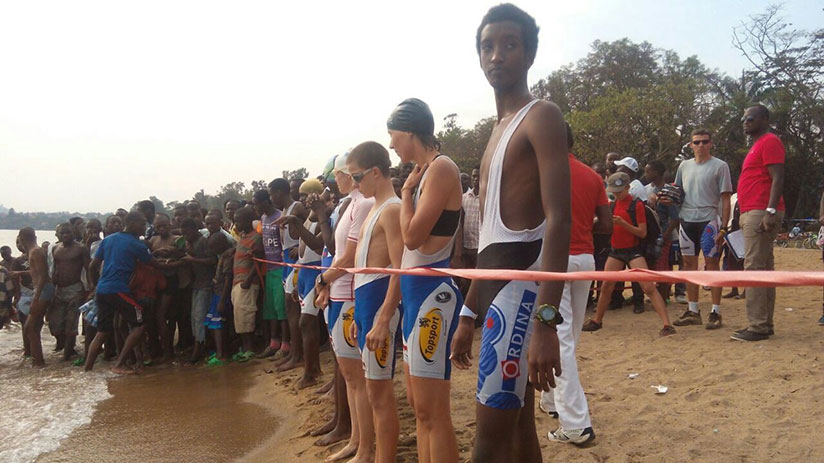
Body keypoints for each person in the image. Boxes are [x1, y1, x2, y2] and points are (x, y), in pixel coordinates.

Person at [451, 6, 569, 461]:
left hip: (521, 295)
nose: (496, 55)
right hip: (496, 290)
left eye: (509, 44)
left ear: (530, 54)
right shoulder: (496, 131)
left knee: (489, 438)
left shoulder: (541, 117)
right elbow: (488, 242)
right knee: (518, 430)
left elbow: (559, 220)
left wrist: (545, 323)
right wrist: (467, 311)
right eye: (487, 46)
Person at [385, 96, 464, 462]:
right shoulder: (424, 172)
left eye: (393, 136)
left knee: (434, 412)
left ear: (410, 132)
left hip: (433, 295)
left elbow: (412, 238)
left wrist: (403, 195)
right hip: (414, 295)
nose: (390, 145)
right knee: (420, 410)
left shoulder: (442, 168)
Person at [539, 123, 610, 445]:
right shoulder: (593, 176)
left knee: (560, 339)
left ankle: (576, 424)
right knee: (570, 336)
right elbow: (606, 224)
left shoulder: (543, 173)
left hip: (554, 262)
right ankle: (554, 400)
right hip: (585, 259)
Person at [315, 151, 375, 462]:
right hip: (338, 295)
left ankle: (365, 448)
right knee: (350, 377)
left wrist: (323, 278)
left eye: (337, 175)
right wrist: (326, 283)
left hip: (349, 295)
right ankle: (355, 440)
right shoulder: (350, 204)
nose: (333, 182)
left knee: (356, 378)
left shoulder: (362, 204)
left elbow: (349, 258)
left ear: (348, 174)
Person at [348, 142, 404, 463]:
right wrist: (361, 314)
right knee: (373, 392)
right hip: (368, 304)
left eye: (358, 177)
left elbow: (398, 268)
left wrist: (383, 318)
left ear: (376, 172)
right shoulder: (374, 209)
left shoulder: (392, 210)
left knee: (380, 395)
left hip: (380, 306)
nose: (356, 184)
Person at [583, 173, 676, 336]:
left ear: (627, 188)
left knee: (648, 287)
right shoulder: (612, 205)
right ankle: (597, 320)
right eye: (615, 191)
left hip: (633, 251)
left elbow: (642, 232)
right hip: (616, 251)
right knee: (606, 287)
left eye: (620, 191)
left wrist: (623, 224)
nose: (617, 194)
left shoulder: (637, 205)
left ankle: (667, 324)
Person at [667, 129, 732, 330]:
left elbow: (726, 198)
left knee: (712, 265)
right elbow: (676, 191)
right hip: (687, 220)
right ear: (691, 145)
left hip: (709, 220)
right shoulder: (684, 166)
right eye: (697, 142)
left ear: (711, 143)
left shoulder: (720, 166)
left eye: (705, 142)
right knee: (688, 265)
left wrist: (724, 227)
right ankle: (693, 310)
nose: (701, 145)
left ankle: (715, 311)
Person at [731, 105, 785, 342]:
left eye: (750, 117)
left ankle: (757, 325)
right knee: (764, 268)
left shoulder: (770, 141)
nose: (745, 121)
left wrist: (770, 210)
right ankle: (765, 323)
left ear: (764, 119)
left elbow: (778, 177)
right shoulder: (758, 145)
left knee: (754, 267)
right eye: (743, 117)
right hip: (753, 210)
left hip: (760, 210)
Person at [84, 212, 154, 374]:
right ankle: (120, 363)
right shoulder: (137, 245)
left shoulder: (108, 240)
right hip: (119, 290)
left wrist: (93, 285)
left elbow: (92, 266)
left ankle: (87, 370)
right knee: (139, 323)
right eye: (143, 224)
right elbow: (153, 263)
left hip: (102, 290)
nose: (145, 227)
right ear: (132, 223)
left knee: (102, 331)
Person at [274, 178, 326, 388]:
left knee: (307, 322)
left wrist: (296, 223)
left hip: (315, 272)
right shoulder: (310, 217)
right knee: (305, 321)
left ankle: (311, 370)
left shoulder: (321, 216)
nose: (302, 200)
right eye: (302, 196)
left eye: (306, 195)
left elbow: (316, 245)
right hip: (304, 272)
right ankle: (310, 368)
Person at [269, 178, 310, 371]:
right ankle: (295, 352)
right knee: (290, 307)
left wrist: (301, 243)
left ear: (279, 192)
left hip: (296, 258)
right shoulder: (285, 210)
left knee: (292, 306)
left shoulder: (297, 207)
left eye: (271, 194)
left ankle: (298, 355)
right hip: (286, 258)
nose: (271, 198)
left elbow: (313, 222)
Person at [252, 190, 288, 359]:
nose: (255, 207)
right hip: (269, 269)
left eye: (256, 203)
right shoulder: (263, 219)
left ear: (266, 201)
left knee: (282, 309)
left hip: (281, 268)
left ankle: (286, 344)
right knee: (271, 309)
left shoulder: (280, 216)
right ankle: (273, 343)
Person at [50, 223, 91, 360]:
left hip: (75, 289)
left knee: (70, 324)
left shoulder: (81, 248)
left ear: (73, 233)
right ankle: (68, 348)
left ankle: (66, 356)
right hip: (58, 289)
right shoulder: (55, 248)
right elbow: (54, 269)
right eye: (63, 233)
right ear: (58, 235)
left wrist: (91, 288)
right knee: (55, 325)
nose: (65, 235)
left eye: (68, 233)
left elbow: (88, 268)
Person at [180, 217, 217, 363]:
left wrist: (192, 260)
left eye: (187, 232)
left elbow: (213, 260)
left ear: (195, 230)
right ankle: (199, 343)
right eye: (183, 233)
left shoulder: (203, 241)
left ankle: (199, 347)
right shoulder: (189, 242)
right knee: (194, 316)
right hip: (196, 284)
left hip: (206, 283)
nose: (185, 235)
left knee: (200, 317)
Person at [644, 161, 681, 302]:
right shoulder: (648, 190)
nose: (646, 174)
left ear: (657, 172)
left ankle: (664, 296)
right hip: (653, 234)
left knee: (663, 267)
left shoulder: (668, 191)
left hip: (664, 235)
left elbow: (675, 217)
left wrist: (665, 236)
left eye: (649, 171)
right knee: (655, 266)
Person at [231, 206, 264, 360]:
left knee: (246, 316)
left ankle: (249, 349)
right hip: (237, 282)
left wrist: (248, 280)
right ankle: (244, 348)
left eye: (238, 221)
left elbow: (257, 261)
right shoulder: (243, 237)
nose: (236, 224)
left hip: (246, 283)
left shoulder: (256, 238)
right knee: (239, 317)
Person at [19, 227, 54, 367]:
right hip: (41, 289)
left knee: (30, 327)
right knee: (34, 325)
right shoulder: (34, 252)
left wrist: (35, 298)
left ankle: (38, 362)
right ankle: (37, 360)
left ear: (21, 238)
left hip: (43, 290)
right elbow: (36, 272)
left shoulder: (36, 251)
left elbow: (44, 275)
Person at [205, 231, 234, 365]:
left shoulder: (227, 257)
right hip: (218, 293)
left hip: (221, 294)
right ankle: (221, 352)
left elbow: (228, 279)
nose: (211, 250)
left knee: (218, 325)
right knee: (215, 324)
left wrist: (222, 300)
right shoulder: (223, 255)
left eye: (212, 247)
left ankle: (221, 354)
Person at [454, 166, 480, 296]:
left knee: (478, 283)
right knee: (464, 282)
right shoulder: (463, 198)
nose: (476, 179)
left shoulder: (488, 199)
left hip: (480, 248)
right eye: (474, 176)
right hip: (465, 248)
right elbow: (459, 224)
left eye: (478, 176)